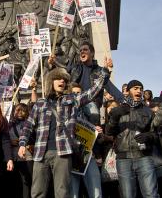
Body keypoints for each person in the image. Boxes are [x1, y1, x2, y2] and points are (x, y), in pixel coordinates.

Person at [18, 66, 109, 198]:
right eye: (58, 78)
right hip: (40, 154)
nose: (62, 81)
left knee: (62, 192)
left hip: (63, 153)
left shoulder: (71, 100)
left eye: (64, 80)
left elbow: (92, 92)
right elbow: (28, 126)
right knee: (37, 192)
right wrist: (22, 143)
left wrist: (104, 73)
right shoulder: (40, 104)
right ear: (51, 82)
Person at [106, 80, 159, 198]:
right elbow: (109, 132)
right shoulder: (118, 109)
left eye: (141, 88)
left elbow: (156, 135)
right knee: (127, 195)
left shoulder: (148, 111)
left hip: (144, 157)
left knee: (151, 194)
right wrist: (115, 117)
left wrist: (149, 136)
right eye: (135, 88)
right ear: (128, 90)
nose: (139, 91)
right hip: (123, 160)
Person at [70, 82, 103, 198]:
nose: (76, 95)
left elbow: (96, 135)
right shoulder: (64, 110)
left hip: (88, 155)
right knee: (72, 192)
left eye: (78, 93)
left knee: (96, 190)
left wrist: (97, 131)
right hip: (71, 155)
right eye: (73, 93)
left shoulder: (91, 111)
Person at [9, 103, 33, 198]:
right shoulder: (9, 124)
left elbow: (32, 137)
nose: (19, 112)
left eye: (22, 110)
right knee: (14, 181)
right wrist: (10, 141)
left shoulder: (29, 123)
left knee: (26, 181)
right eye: (17, 110)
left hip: (25, 156)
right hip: (13, 156)